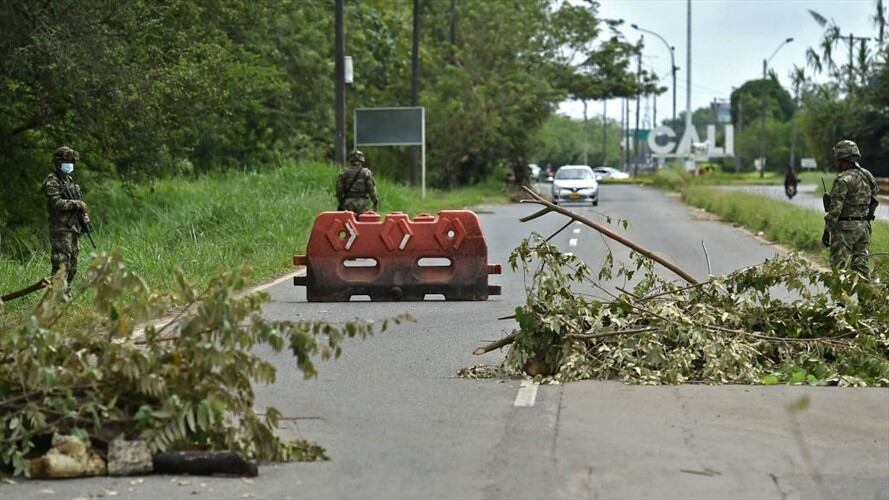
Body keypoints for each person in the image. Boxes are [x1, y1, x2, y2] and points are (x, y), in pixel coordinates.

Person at [823, 139, 880, 278]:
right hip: (864, 228)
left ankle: (842, 299)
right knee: (861, 266)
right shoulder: (868, 175)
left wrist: (827, 231)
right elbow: (874, 200)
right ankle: (866, 299)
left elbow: (835, 210)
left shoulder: (843, 179)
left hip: (844, 230)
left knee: (839, 268)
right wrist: (867, 217)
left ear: (842, 158)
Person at [43, 146, 90, 293]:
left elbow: (77, 204)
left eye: (71, 161)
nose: (70, 164)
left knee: (73, 264)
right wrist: (77, 204)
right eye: (66, 161)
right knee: (61, 264)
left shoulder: (69, 181)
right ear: (58, 162)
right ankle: (54, 296)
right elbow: (56, 203)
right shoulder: (52, 181)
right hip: (61, 228)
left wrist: (83, 215)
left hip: (73, 227)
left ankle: (65, 293)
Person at [336, 150, 379, 214]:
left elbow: (339, 189)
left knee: (347, 222)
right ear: (362, 160)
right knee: (362, 223)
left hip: (347, 203)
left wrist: (341, 201)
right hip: (362, 204)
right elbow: (371, 189)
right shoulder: (366, 173)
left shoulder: (344, 172)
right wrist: (375, 202)